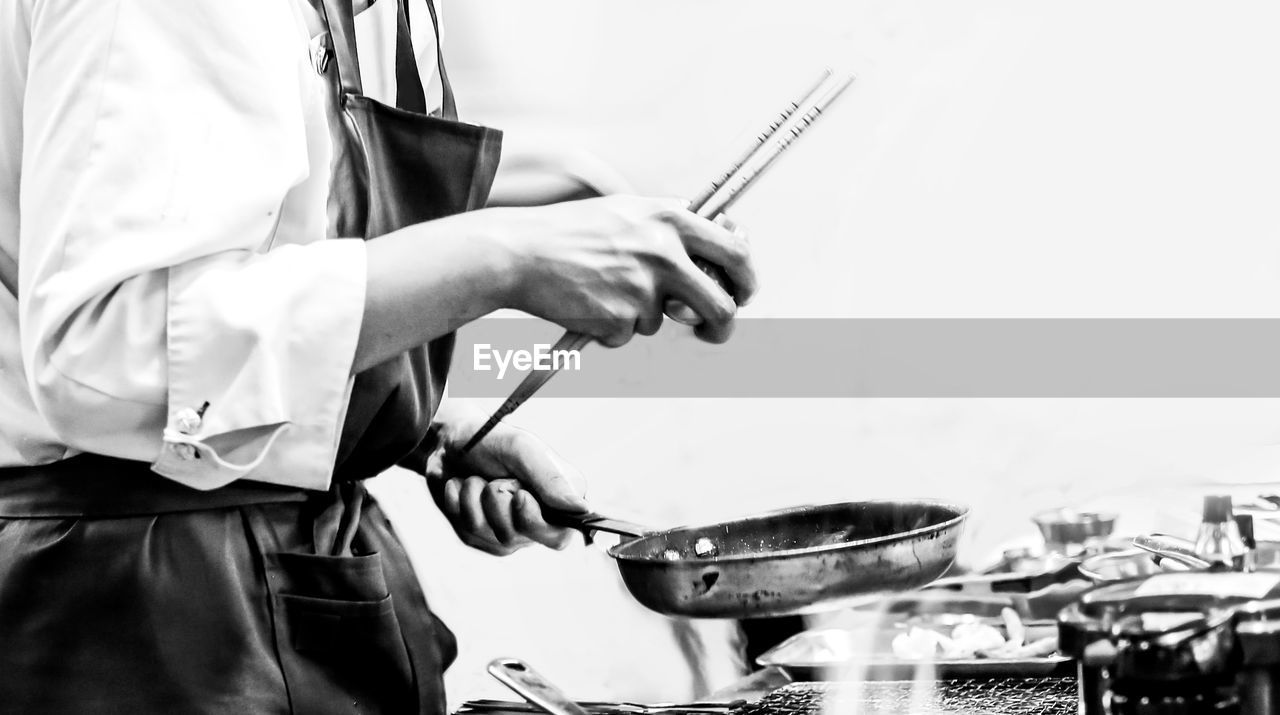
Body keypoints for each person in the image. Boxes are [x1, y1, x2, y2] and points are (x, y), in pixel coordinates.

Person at [0, 0, 756, 712]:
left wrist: (415, 420)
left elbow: (276, 226)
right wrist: (505, 259)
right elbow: (98, 348)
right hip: (143, 614)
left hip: (278, 570)